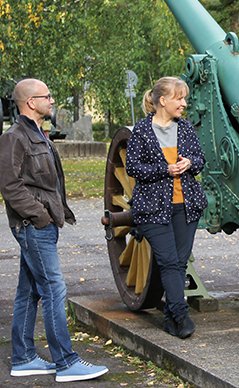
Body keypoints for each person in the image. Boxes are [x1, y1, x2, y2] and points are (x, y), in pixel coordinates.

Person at [0, 79, 108, 382]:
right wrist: (40, 216)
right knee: (53, 289)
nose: (51, 100)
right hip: (33, 226)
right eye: (46, 96)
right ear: (30, 102)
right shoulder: (14, 137)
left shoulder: (38, 134)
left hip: (40, 224)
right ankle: (66, 362)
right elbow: (10, 186)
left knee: (29, 290)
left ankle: (22, 358)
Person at [126, 76, 207, 339]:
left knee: (179, 263)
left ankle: (171, 319)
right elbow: (133, 167)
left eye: (184, 98)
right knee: (169, 261)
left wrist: (188, 164)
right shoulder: (141, 130)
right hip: (152, 208)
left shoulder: (185, 128)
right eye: (179, 98)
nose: (184, 103)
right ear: (163, 101)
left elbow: (199, 158)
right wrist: (165, 169)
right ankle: (182, 316)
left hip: (187, 204)